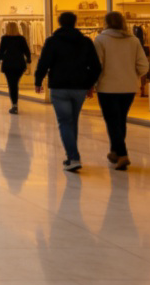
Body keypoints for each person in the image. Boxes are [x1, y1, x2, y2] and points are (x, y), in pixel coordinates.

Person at [34, 11, 103, 171]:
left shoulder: (52, 41)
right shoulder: (85, 42)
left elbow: (44, 62)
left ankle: (73, 157)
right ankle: (72, 156)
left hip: (59, 87)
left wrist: (38, 81)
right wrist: (89, 84)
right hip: (79, 87)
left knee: (65, 122)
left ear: (59, 23)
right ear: (75, 22)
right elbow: (96, 67)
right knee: (73, 121)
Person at [94, 11, 149, 170]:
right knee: (120, 120)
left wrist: (94, 83)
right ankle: (114, 152)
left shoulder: (100, 40)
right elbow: (144, 66)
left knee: (112, 121)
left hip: (107, 88)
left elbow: (98, 65)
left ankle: (123, 154)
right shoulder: (134, 40)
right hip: (129, 88)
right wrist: (132, 76)